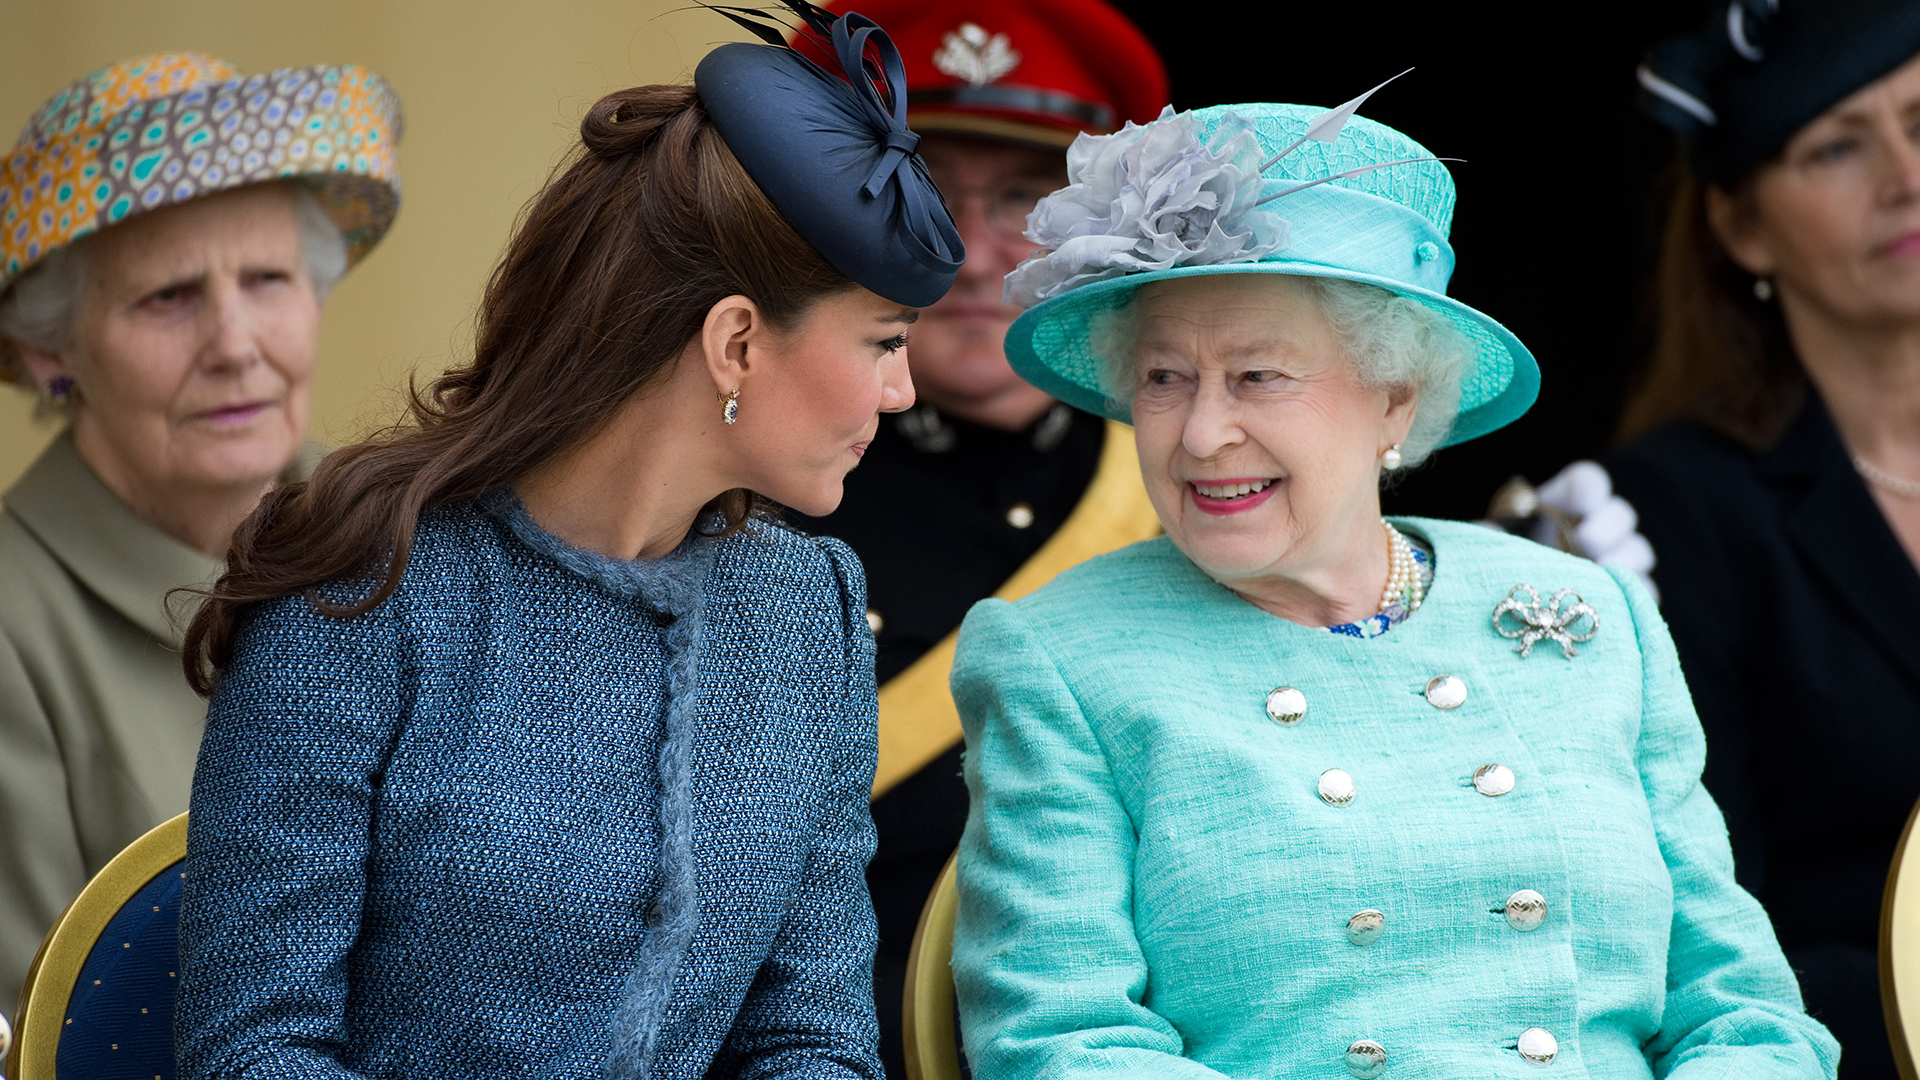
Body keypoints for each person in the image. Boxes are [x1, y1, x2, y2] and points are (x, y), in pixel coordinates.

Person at [949, 96, 1839, 1079]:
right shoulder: (1060, 655)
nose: (1201, 435)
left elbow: (1742, 1010)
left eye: (1256, 376)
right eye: (1164, 378)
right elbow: (1063, 1043)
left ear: (1395, 397)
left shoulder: (1592, 613)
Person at [172, 7, 961, 1077]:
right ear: (735, 342)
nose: (903, 389)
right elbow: (255, 1049)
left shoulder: (808, 613)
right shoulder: (368, 594)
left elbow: (810, 1036)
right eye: (881, 341)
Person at [785, 4, 1165, 1068]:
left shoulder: (1195, 485)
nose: (967, 249)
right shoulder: (778, 487)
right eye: (922, 198)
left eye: (1025, 201)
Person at [0, 52, 399, 1003]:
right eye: (167, 297)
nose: (234, 345)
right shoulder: (13, 625)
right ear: (50, 350)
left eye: (266, 279)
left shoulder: (412, 543)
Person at [1605, 3, 1920, 1076]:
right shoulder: (1671, 511)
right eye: (1837, 145)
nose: (1905, 178)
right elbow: (1714, 937)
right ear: (1740, 227)